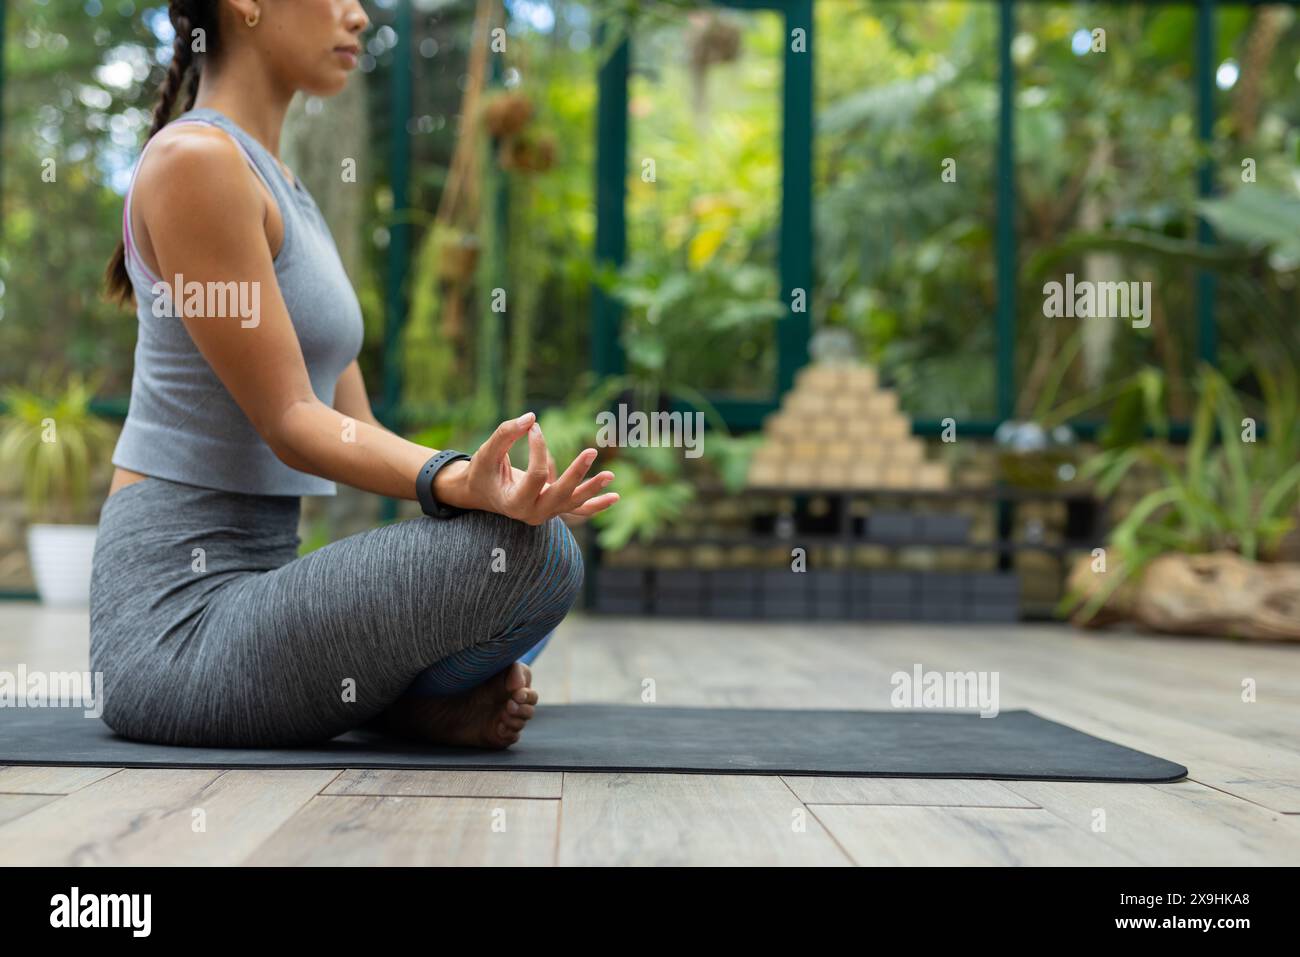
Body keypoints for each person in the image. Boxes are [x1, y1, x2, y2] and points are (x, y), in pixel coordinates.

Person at [91, 0, 617, 750]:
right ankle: (408, 702)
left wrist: (501, 494)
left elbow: (358, 428)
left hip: (263, 594)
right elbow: (292, 422)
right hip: (176, 630)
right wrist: (456, 476)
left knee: (529, 537)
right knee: (535, 558)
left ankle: (401, 702)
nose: (360, 15)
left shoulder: (284, 188)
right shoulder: (195, 163)